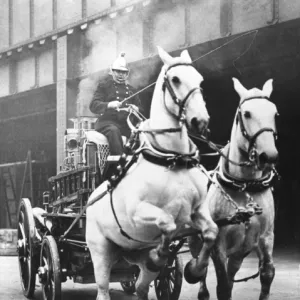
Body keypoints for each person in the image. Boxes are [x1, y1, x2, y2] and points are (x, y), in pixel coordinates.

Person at [89, 52, 142, 155]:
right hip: (107, 124)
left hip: (127, 125)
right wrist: (109, 104)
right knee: (114, 131)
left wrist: (136, 109)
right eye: (118, 72)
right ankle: (118, 163)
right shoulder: (104, 86)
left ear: (127, 74)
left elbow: (142, 110)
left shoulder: (132, 90)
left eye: (123, 72)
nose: (121, 75)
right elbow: (93, 105)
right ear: (112, 72)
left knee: (141, 134)